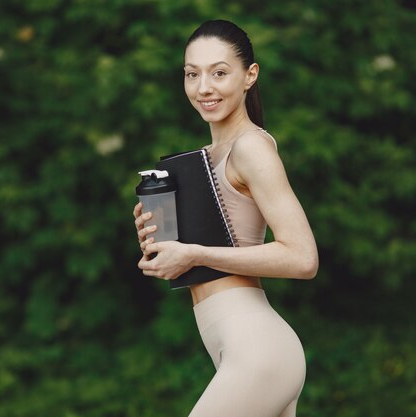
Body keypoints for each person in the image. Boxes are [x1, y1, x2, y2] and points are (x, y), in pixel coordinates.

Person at [133, 20, 319, 417]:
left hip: (258, 350)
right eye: (192, 74)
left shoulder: (251, 148)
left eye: (219, 72)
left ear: (249, 75)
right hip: (239, 347)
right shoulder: (206, 158)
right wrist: (163, 244)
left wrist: (195, 253)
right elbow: (194, 256)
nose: (204, 88)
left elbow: (302, 258)